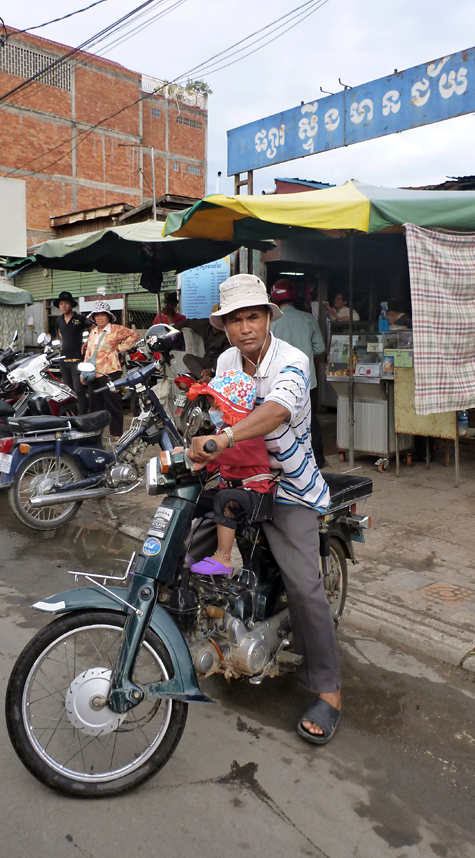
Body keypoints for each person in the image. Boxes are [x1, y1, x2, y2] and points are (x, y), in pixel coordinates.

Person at [187, 274, 341, 745]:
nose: (244, 327)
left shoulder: (291, 360)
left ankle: (329, 691)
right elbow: (218, 408)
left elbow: (276, 410)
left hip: (289, 484)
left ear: (268, 318)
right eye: (234, 319)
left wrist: (226, 437)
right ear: (225, 326)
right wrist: (198, 433)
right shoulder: (228, 359)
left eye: (252, 316)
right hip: (239, 477)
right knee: (188, 548)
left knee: (304, 584)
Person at [185, 369, 274, 575]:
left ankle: (223, 558)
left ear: (229, 405)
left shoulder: (244, 434)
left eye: (216, 403)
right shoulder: (222, 432)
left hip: (255, 493)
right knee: (193, 500)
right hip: (232, 488)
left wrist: (193, 456)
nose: (212, 408)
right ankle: (183, 548)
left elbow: (216, 455)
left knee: (225, 500)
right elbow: (210, 464)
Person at [270, 279, 327, 468]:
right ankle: (318, 459)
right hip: (307, 379)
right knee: (310, 419)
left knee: (280, 420)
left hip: (279, 380)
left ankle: (288, 460)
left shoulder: (271, 321)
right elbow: (320, 347)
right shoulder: (308, 318)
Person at [81, 301, 139, 438]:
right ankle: (94, 434)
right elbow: (88, 353)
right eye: (97, 315)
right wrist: (83, 371)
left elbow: (134, 335)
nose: (99, 317)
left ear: (108, 316)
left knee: (113, 403)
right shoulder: (93, 332)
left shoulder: (116, 329)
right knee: (94, 405)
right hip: (93, 372)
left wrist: (121, 348)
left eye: (102, 315)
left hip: (110, 371)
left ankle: (117, 434)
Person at [53, 291, 91, 415]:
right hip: (64, 360)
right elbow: (61, 333)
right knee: (68, 391)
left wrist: (86, 344)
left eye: (67, 303)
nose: (64, 306)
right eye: (61, 303)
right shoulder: (59, 320)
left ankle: (84, 415)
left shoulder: (80, 319)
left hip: (77, 360)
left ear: (72, 305)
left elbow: (95, 330)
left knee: (79, 390)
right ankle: (72, 415)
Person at [173, 316, 228, 380]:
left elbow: (227, 356)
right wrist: (172, 330)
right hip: (207, 359)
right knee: (187, 358)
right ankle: (204, 378)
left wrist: (212, 370)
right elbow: (187, 322)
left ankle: (208, 379)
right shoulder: (204, 324)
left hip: (220, 363)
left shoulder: (227, 333)